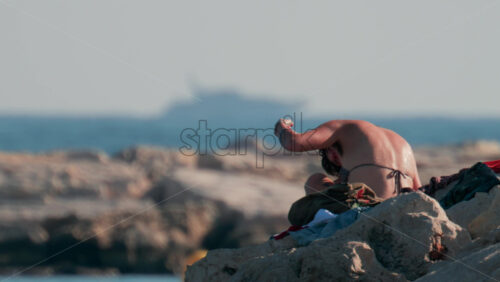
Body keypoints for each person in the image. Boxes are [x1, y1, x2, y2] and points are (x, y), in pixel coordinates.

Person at [274, 119, 422, 199]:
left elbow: (293, 142)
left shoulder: (345, 127)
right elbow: (419, 190)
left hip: (370, 213)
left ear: (332, 154)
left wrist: (282, 127)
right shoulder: (402, 143)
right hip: (402, 210)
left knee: (316, 180)